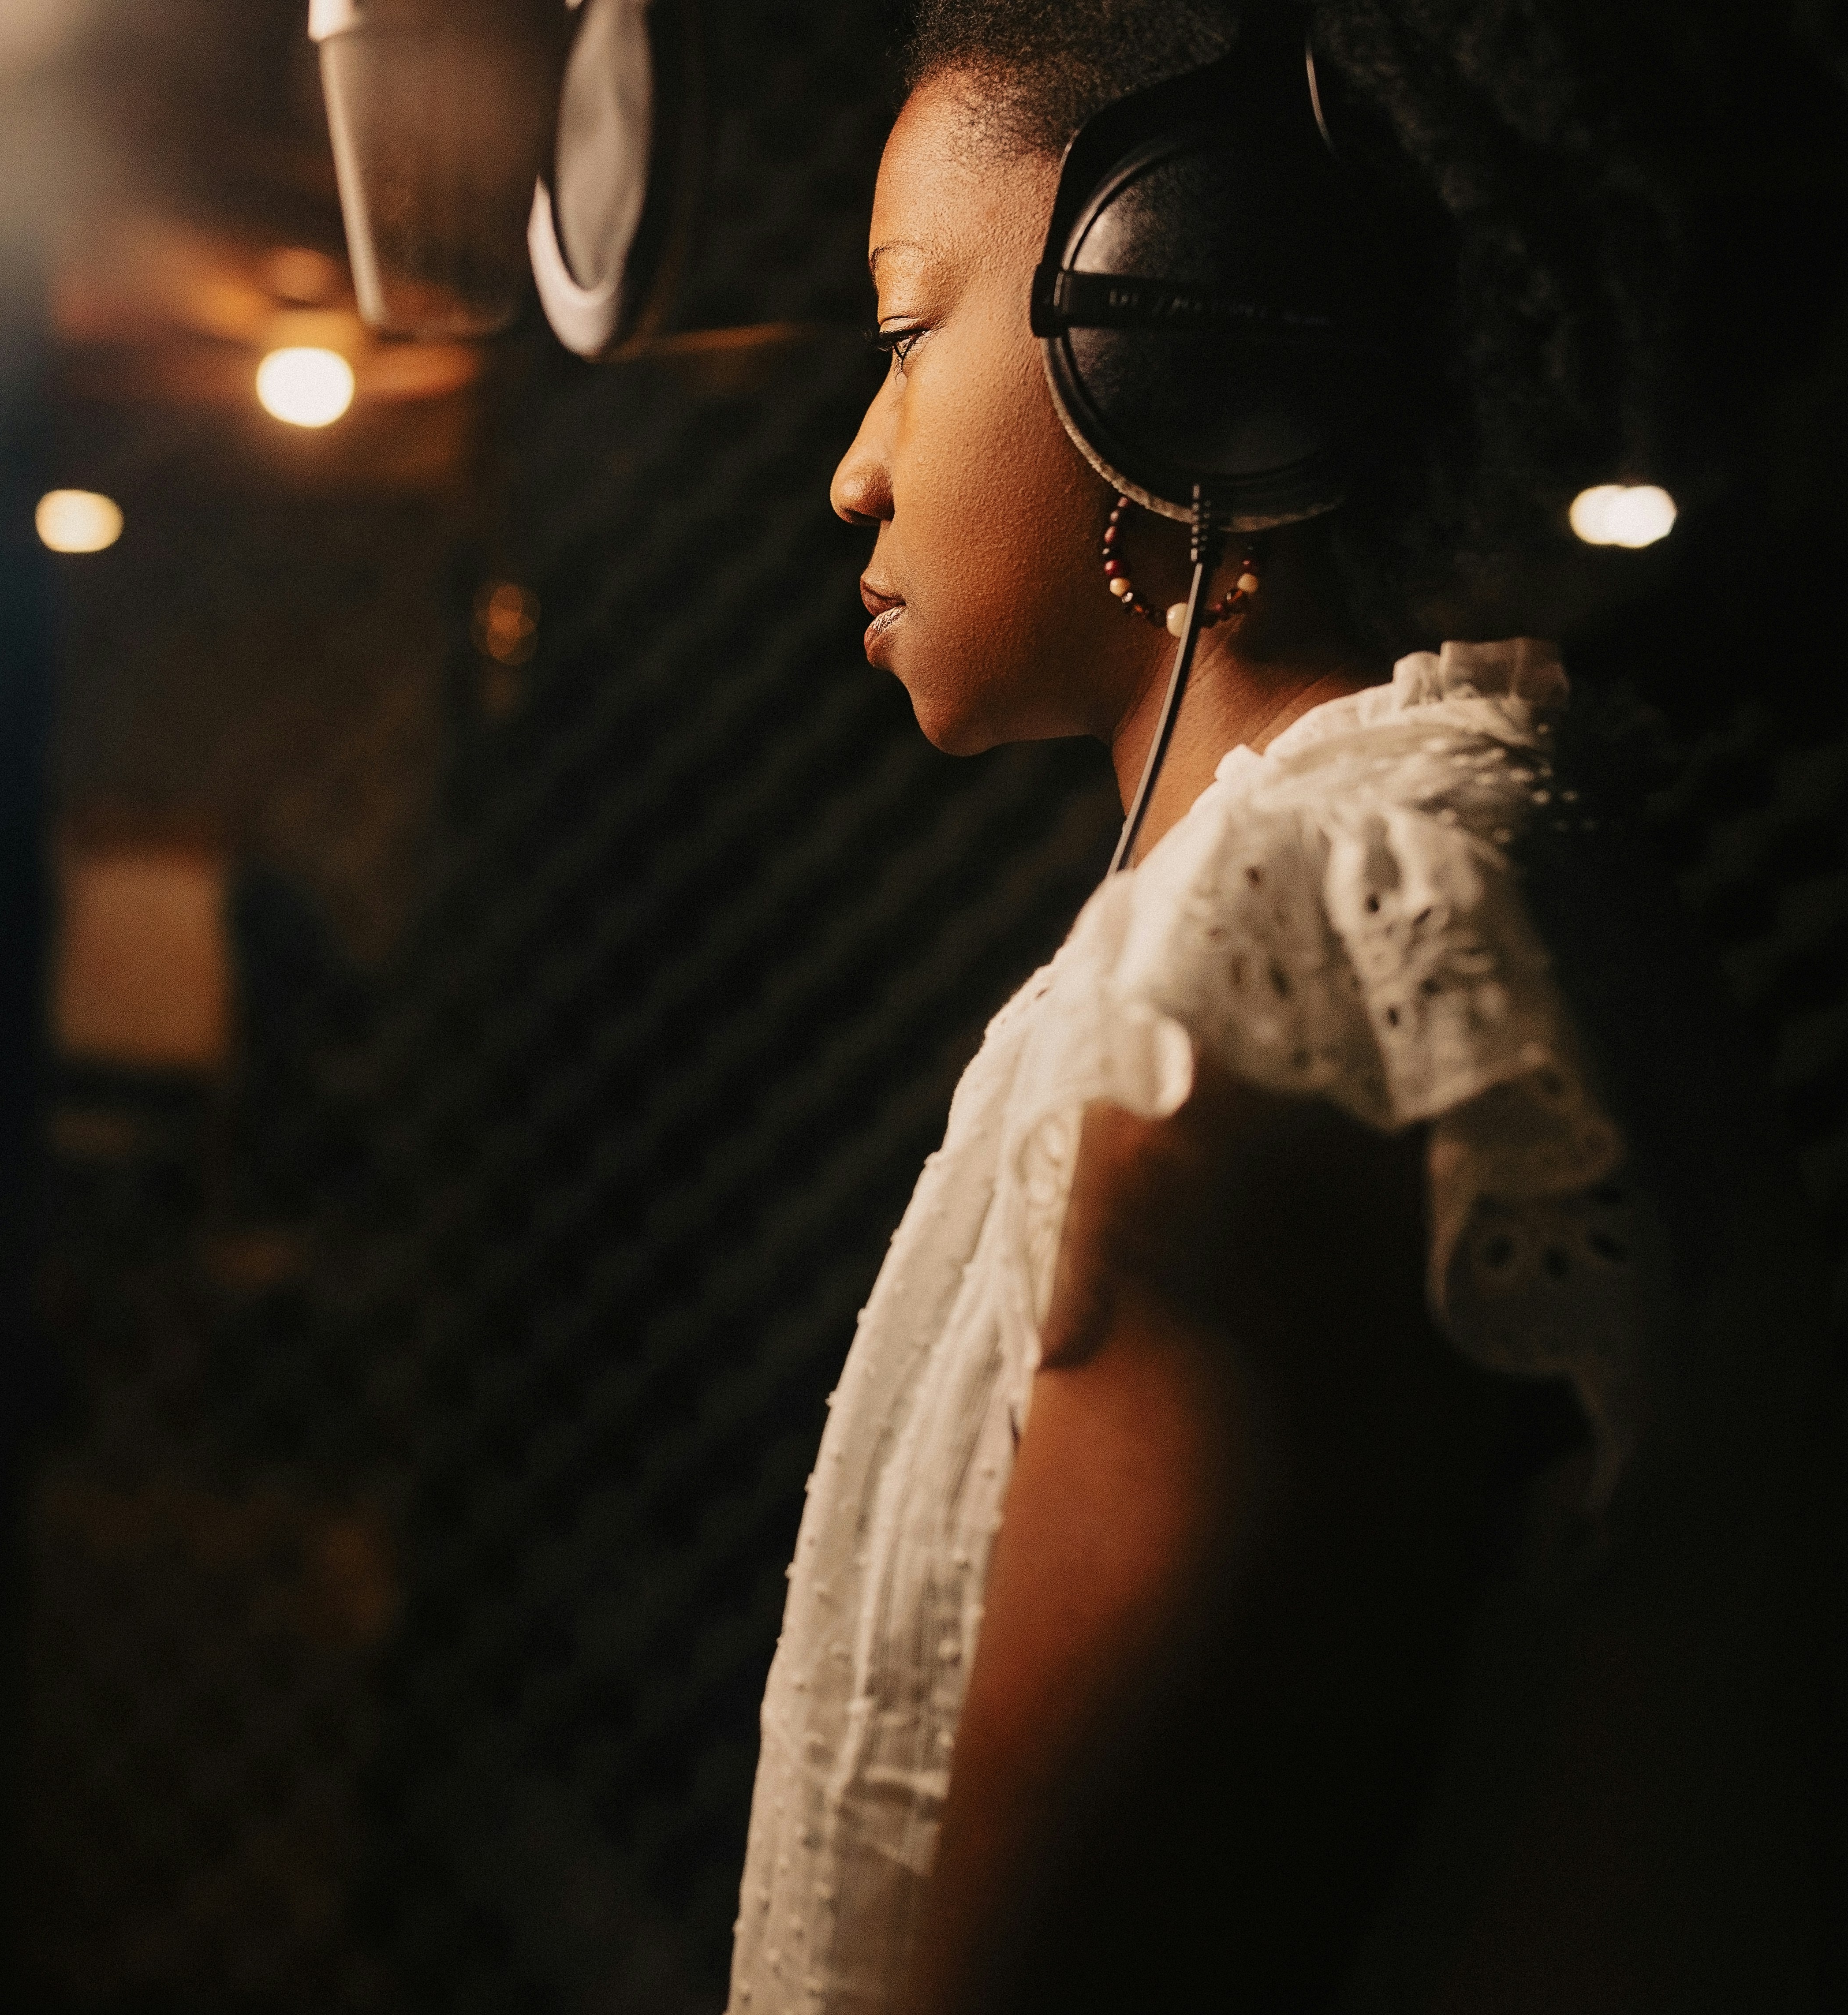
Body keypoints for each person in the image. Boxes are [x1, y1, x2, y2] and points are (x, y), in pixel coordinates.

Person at [727, 4, 1837, 2010]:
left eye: (904, 335)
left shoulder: (1298, 962)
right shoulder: (1460, 858)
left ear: (1171, 306)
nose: (853, 471)